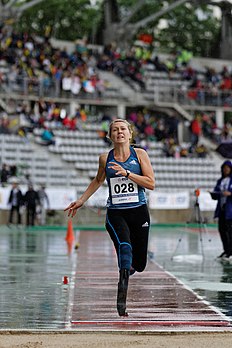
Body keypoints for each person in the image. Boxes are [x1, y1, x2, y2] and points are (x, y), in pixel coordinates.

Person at [64, 119, 155, 316]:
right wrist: (82, 200)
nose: (119, 132)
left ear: (130, 133)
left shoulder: (140, 154)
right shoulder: (105, 158)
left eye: (123, 129)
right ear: (110, 135)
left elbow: (150, 183)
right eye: (115, 130)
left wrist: (128, 173)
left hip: (139, 211)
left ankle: (128, 267)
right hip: (116, 212)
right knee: (124, 246)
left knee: (139, 265)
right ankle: (121, 299)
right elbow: (98, 180)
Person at [210, 160, 232, 261]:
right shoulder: (220, 181)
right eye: (224, 168)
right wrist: (213, 193)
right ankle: (226, 250)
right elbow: (216, 195)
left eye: (227, 168)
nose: (226, 169)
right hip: (222, 209)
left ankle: (231, 252)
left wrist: (230, 194)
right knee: (222, 230)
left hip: (230, 210)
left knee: (230, 231)